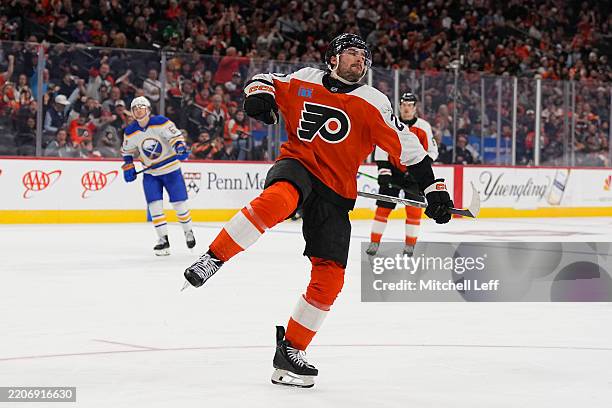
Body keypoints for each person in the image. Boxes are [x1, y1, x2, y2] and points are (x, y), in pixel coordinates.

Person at [182, 33, 453, 387]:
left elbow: (410, 150)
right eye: (351, 53)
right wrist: (259, 96)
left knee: (331, 277)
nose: (359, 60)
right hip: (298, 165)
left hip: (337, 190)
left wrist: (434, 189)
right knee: (278, 200)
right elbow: (262, 79)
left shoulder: (374, 101)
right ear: (333, 59)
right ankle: (213, 258)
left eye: (363, 56)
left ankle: (291, 351)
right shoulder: (303, 80)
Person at [120, 96, 196, 256]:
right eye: (135, 108)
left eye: (141, 107)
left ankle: (188, 231)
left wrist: (180, 147)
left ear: (148, 109)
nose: (138, 110)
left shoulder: (160, 122)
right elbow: (127, 152)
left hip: (171, 170)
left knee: (179, 204)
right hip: (150, 173)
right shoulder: (130, 131)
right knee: (154, 206)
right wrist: (128, 165)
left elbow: (175, 138)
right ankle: (163, 240)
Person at [366, 92, 439, 257]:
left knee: (414, 212)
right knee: (383, 209)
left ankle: (410, 246)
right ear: (400, 106)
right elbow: (382, 148)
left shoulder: (423, 126)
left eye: (410, 105)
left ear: (415, 108)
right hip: (393, 172)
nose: (406, 108)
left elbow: (432, 152)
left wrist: (419, 172)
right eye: (404, 105)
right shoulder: (391, 123)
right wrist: (384, 172)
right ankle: (374, 242)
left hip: (413, 174)